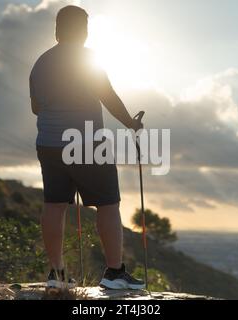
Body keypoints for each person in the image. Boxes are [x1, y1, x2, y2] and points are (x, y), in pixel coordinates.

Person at [29, 5, 145, 290]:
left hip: (48, 144)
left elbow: (35, 108)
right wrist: (131, 123)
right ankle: (114, 273)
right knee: (107, 203)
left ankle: (57, 274)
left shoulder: (41, 63)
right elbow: (107, 96)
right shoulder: (87, 59)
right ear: (83, 31)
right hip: (86, 142)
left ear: (57, 30)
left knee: (54, 205)